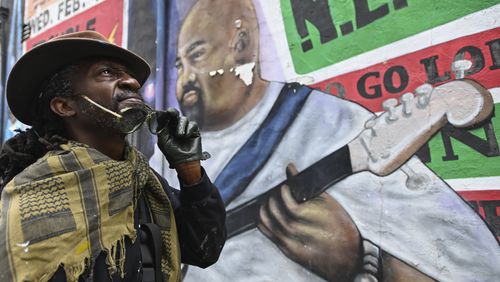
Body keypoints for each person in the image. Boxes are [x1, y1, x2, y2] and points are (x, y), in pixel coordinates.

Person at [150, 0, 500, 281]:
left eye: (196, 57)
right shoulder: (169, 152)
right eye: (179, 66)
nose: (183, 83)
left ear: (241, 46)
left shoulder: (338, 126)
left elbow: (479, 268)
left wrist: (361, 263)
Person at [0, 31, 226, 282]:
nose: (132, 82)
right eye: (107, 72)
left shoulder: (145, 183)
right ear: (65, 106)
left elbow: (205, 249)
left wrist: (189, 169)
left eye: (128, 74)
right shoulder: (33, 196)